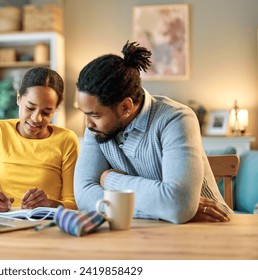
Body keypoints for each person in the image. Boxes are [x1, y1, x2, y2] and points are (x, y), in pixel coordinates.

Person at [74, 41, 231, 224]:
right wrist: (162, 210)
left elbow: (178, 204)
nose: (87, 123)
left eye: (94, 114)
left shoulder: (176, 119)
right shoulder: (97, 129)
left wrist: (111, 180)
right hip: (146, 230)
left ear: (125, 107)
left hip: (209, 227)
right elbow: (84, 198)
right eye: (84, 113)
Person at [0, 67, 79, 212]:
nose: (36, 118)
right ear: (19, 98)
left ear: (55, 110)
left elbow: (73, 203)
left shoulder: (66, 140)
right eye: (30, 108)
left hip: (44, 224)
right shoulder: (0, 130)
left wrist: (49, 204)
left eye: (46, 112)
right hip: (6, 220)